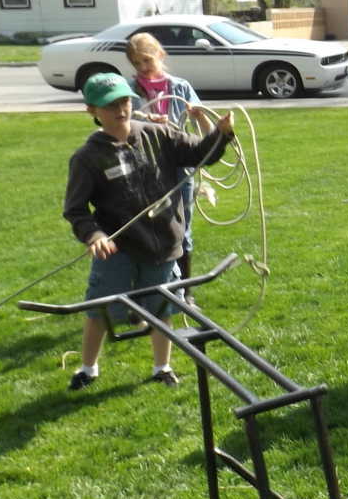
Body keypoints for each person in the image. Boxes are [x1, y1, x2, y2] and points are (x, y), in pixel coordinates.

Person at [63, 72, 235, 390]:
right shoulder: (87, 158)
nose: (120, 109)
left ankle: (162, 367)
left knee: (161, 308)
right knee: (100, 308)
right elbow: (75, 210)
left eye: (124, 101)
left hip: (164, 243)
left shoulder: (159, 134)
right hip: (119, 248)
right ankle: (88, 368)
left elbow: (199, 154)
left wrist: (221, 135)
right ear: (91, 110)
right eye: (110, 105)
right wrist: (94, 235)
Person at [126, 32, 213, 281]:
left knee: (182, 227)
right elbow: (120, 122)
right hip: (144, 169)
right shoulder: (129, 90)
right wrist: (145, 119)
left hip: (179, 168)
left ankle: (184, 290)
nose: (143, 67)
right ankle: (151, 285)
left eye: (147, 60)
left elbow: (208, 130)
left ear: (160, 55)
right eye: (137, 63)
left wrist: (200, 115)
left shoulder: (180, 87)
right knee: (147, 227)